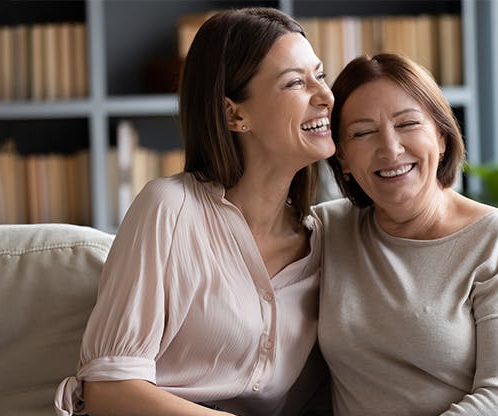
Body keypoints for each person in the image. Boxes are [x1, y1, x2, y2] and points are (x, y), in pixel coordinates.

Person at [54, 7, 335, 416]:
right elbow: (109, 391)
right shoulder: (169, 209)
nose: (325, 95)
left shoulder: (327, 241)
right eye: (295, 82)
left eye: (320, 75)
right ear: (234, 114)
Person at [314, 53, 498, 416]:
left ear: (441, 136)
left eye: (408, 124)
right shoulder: (327, 231)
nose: (390, 149)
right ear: (342, 159)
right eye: (363, 133)